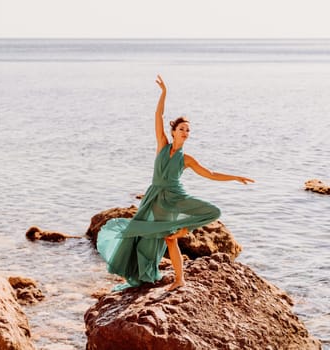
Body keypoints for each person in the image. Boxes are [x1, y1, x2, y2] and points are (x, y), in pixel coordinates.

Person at [97, 75, 254, 291]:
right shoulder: (162, 145)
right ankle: (145, 273)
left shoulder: (186, 159)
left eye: (188, 130)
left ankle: (181, 258)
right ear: (173, 132)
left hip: (175, 198)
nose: (186, 132)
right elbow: (158, 115)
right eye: (182, 129)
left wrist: (235, 177)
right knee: (142, 234)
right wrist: (164, 94)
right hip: (154, 198)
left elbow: (210, 173)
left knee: (208, 215)